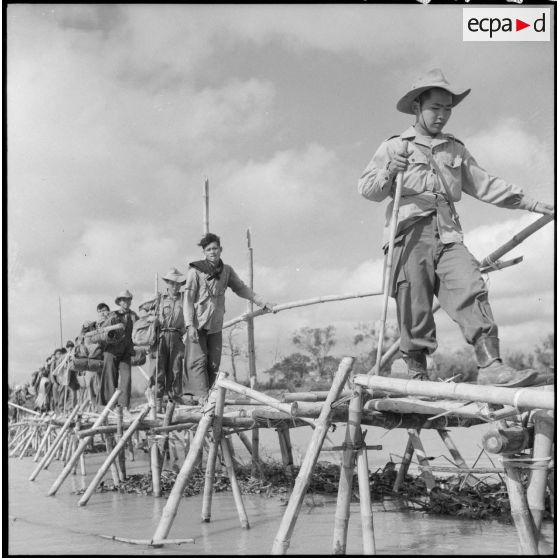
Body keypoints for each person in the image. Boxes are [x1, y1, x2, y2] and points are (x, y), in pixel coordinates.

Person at [357, 69, 554, 386]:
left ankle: (491, 366)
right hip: (408, 233)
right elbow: (368, 191)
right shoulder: (394, 147)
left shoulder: (455, 149)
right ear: (418, 106)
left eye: (448, 108)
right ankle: (416, 374)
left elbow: (486, 184)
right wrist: (389, 173)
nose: (442, 115)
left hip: (448, 233)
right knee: (413, 304)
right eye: (436, 107)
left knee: (471, 287)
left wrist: (531, 203)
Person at [183, 233, 276, 401]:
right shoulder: (195, 271)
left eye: (215, 248)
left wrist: (262, 302)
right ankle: (202, 400)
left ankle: (210, 398)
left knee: (213, 363)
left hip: (216, 324)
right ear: (204, 252)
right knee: (198, 361)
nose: (212, 252)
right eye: (209, 249)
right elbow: (188, 300)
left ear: (221, 250)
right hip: (197, 324)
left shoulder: (226, 271)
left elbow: (241, 288)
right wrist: (189, 325)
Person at [149, 268, 188, 404]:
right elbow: (145, 313)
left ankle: (174, 398)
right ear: (167, 284)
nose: (175, 286)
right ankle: (158, 398)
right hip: (162, 335)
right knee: (159, 367)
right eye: (172, 283)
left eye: (177, 284)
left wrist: (183, 332)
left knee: (176, 368)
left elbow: (189, 317)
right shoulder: (159, 299)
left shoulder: (184, 298)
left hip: (177, 335)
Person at [99, 294, 138, 417]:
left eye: (128, 300)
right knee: (110, 379)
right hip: (111, 351)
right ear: (119, 302)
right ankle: (111, 406)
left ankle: (124, 406)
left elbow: (139, 328)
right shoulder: (113, 315)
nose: (126, 302)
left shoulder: (133, 316)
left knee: (126, 378)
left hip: (126, 351)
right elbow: (102, 329)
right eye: (123, 300)